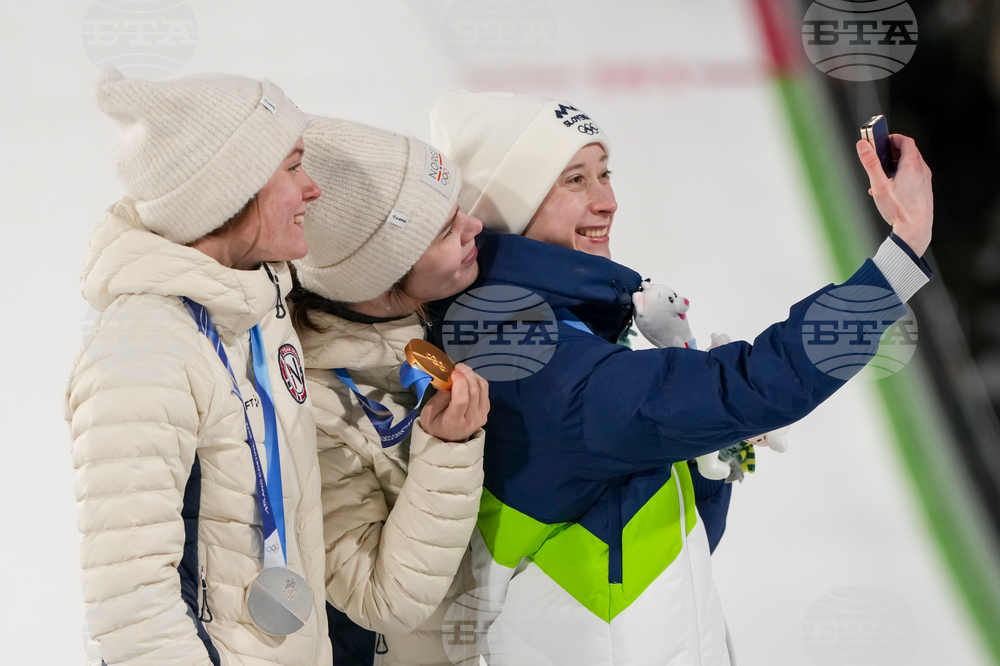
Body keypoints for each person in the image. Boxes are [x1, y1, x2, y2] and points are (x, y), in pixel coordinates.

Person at [426, 90, 934, 665]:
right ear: (507, 206)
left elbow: (676, 550)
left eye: (604, 173)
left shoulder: (560, 324)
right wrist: (901, 253)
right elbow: (753, 385)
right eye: (574, 180)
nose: (608, 200)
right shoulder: (524, 355)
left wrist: (708, 458)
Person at [66, 70, 330, 665]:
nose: (313, 188)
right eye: (292, 167)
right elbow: (132, 607)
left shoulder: (258, 308)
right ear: (228, 191)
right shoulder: (144, 351)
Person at [287, 117, 489, 665]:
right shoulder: (316, 402)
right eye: (446, 231)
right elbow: (380, 597)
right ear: (377, 280)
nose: (474, 225)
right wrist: (446, 450)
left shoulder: (435, 315)